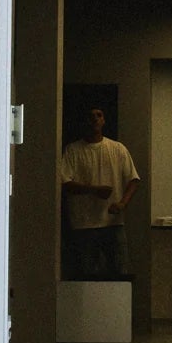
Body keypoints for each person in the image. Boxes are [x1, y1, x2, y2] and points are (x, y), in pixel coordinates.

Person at [58, 106, 139, 279]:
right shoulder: (73, 150)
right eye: (91, 116)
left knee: (119, 274)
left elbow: (133, 180)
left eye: (99, 115)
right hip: (84, 223)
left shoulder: (117, 149)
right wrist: (94, 190)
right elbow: (64, 183)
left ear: (104, 120)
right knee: (86, 276)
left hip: (112, 222)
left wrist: (122, 204)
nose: (95, 119)